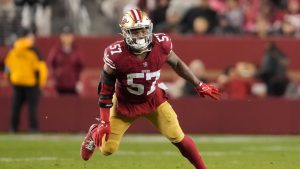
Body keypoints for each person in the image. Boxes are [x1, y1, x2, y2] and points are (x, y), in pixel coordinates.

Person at [80, 9, 221, 169]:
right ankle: (94, 131)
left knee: (177, 136)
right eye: (135, 31)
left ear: (150, 29)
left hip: (154, 100)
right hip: (124, 104)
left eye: (143, 30)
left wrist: (198, 84)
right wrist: (104, 121)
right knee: (108, 150)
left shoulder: (161, 44)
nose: (140, 35)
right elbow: (105, 90)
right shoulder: (116, 54)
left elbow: (177, 63)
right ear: (126, 33)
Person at [4, 28, 48, 133]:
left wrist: (10, 79)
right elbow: (41, 68)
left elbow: (7, 67)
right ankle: (33, 128)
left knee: (16, 107)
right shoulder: (33, 50)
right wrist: (40, 84)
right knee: (32, 108)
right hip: (31, 84)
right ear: (28, 36)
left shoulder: (13, 50)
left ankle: (13, 128)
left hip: (17, 83)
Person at [47, 25, 84, 95]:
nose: (67, 38)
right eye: (65, 35)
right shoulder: (56, 49)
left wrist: (78, 80)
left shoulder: (76, 49)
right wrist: (56, 76)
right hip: (59, 85)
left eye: (69, 35)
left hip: (73, 84)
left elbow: (81, 65)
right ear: (61, 37)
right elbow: (51, 63)